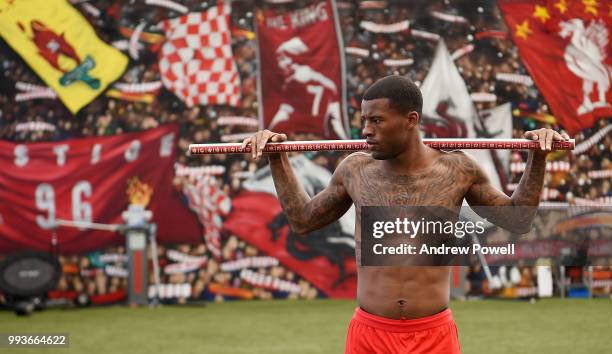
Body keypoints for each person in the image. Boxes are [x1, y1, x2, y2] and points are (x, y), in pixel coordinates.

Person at [242, 75, 570, 353]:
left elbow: (518, 220)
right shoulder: (356, 170)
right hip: (369, 334)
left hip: (434, 335)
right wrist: (277, 158)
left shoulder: (456, 171)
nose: (366, 130)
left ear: (410, 120)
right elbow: (302, 219)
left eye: (377, 120)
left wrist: (537, 158)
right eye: (364, 120)